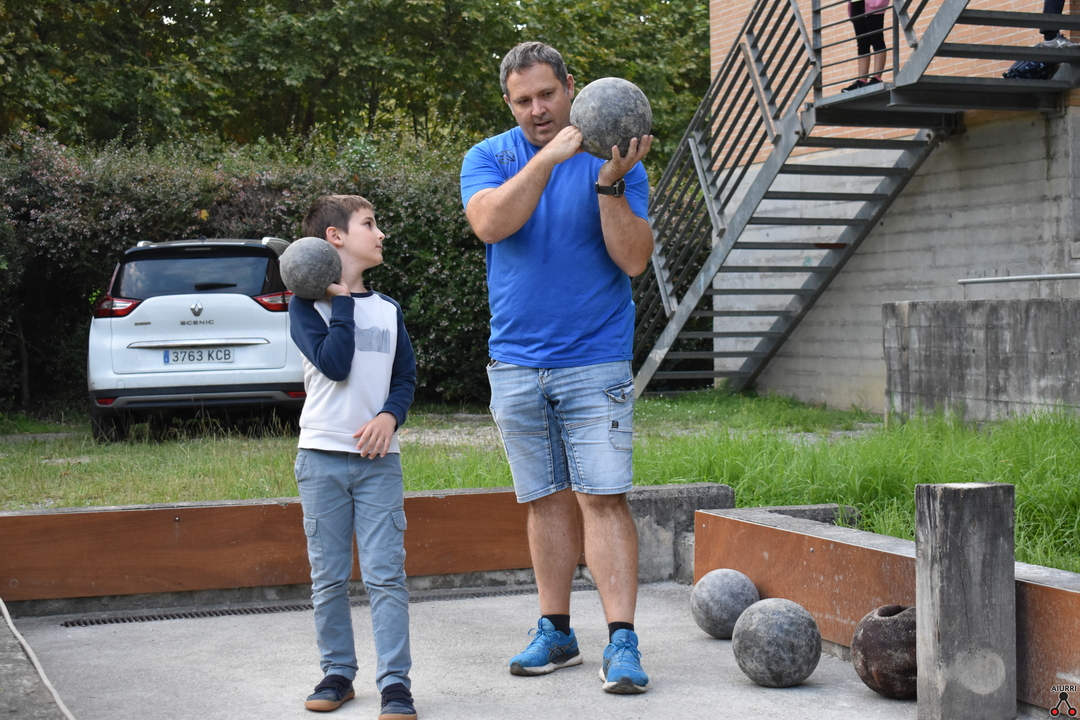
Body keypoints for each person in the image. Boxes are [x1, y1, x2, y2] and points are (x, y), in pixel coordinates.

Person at [459, 41, 654, 694]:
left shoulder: (616, 155)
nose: (538, 109)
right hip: (516, 363)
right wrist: (548, 158)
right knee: (544, 502)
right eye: (524, 100)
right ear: (508, 103)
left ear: (571, 86)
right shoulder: (489, 157)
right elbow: (491, 224)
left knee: (603, 498)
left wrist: (608, 182)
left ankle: (621, 641)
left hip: (594, 359)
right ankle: (557, 631)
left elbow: (633, 259)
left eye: (547, 94)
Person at [289, 194, 418, 719]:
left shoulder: (388, 310)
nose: (380, 233)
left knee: (386, 576)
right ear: (335, 237)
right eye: (370, 224)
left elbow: (405, 378)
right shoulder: (305, 308)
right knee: (329, 578)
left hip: (378, 464)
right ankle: (338, 674)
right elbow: (335, 363)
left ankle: (396, 685)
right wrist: (341, 301)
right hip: (320, 459)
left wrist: (389, 417)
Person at [842, 0, 889, 92]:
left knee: (876, 39)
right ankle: (862, 80)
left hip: (873, 3)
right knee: (862, 42)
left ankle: (877, 78)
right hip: (856, 3)